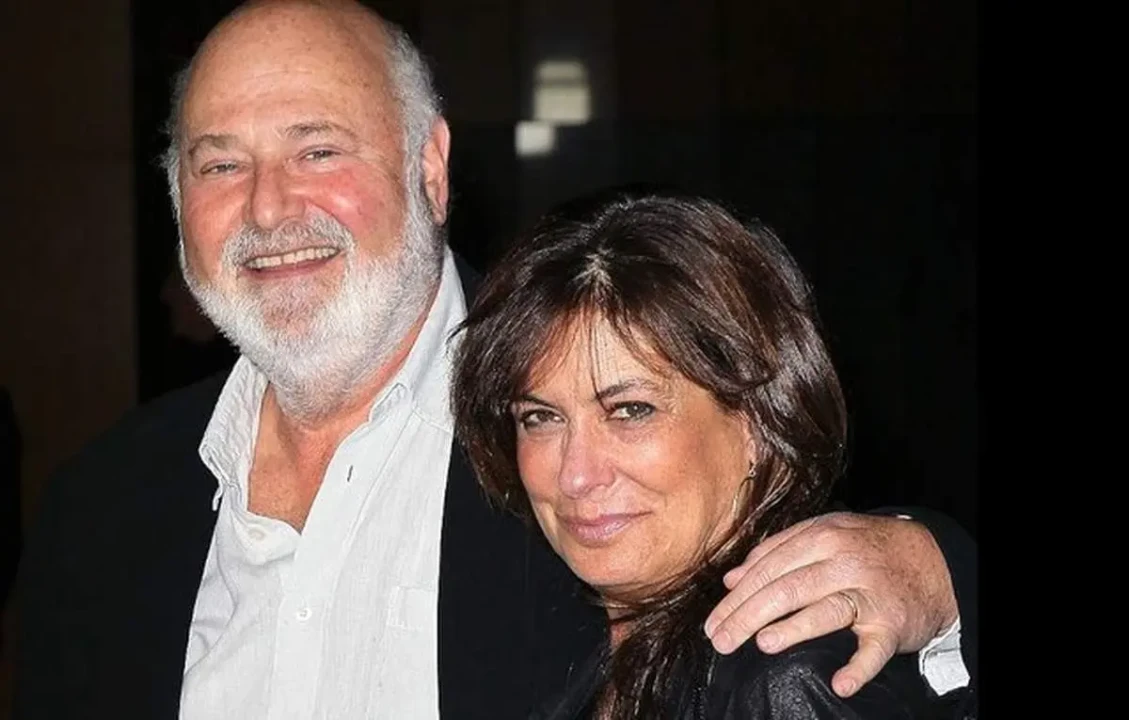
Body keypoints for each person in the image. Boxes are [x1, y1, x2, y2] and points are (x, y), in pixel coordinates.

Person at [14, 1, 975, 718]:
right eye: (220, 164)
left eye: (318, 151)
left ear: (429, 170)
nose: (267, 208)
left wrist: (942, 576)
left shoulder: (583, 456)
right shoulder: (95, 508)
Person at [453, 187, 960, 718]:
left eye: (631, 410)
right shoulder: (572, 643)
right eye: (541, 417)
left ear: (759, 422)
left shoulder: (786, 677)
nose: (576, 475)